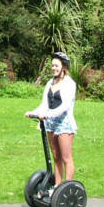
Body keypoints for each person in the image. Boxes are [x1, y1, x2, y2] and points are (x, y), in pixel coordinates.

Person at [25, 52, 78, 197]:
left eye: (56, 65)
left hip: (64, 124)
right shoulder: (50, 83)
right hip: (51, 124)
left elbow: (65, 106)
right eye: (52, 65)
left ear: (64, 67)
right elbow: (44, 104)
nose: (53, 68)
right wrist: (33, 112)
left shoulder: (70, 84)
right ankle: (57, 186)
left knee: (66, 157)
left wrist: (48, 114)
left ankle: (67, 190)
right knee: (56, 156)